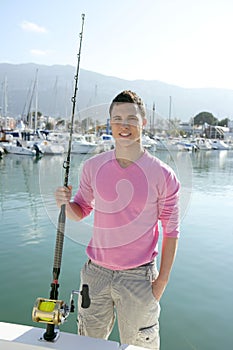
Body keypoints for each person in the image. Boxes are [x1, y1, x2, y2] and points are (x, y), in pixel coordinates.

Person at [55, 90, 180, 349]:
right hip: (95, 274)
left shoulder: (164, 175)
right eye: (117, 118)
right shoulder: (92, 167)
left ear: (144, 122)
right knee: (87, 344)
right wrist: (66, 204)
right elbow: (81, 211)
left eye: (132, 119)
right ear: (109, 123)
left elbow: (171, 231)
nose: (124, 125)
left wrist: (161, 284)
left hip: (139, 278)